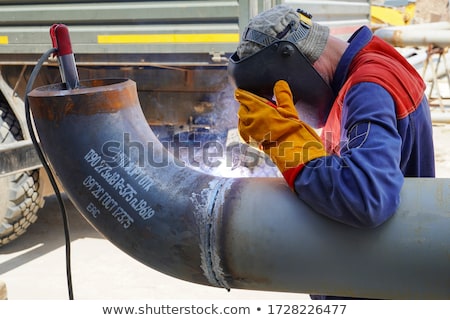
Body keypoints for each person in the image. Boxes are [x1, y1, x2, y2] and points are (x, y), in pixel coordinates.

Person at [227, 4, 435, 299]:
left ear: (292, 62)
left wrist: (286, 142)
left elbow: (367, 196)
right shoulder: (371, 68)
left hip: (373, 287)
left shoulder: (368, 88)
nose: (293, 108)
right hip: (376, 279)